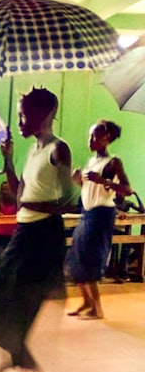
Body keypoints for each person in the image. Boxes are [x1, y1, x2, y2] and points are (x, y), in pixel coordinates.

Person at [0, 87, 74, 372]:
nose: (19, 120)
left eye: (24, 114)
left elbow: (70, 199)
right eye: (18, 113)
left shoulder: (59, 149)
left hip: (45, 235)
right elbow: (19, 195)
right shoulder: (32, 150)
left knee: (22, 304)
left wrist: (35, 206)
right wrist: (8, 162)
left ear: (44, 115)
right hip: (24, 232)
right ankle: (20, 360)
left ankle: (16, 363)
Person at [66, 120, 131, 320]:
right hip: (88, 213)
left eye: (94, 136)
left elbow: (127, 190)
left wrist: (103, 180)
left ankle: (97, 308)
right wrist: (77, 180)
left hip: (102, 214)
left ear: (107, 138)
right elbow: (89, 188)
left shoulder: (113, 162)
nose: (90, 140)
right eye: (90, 136)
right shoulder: (91, 162)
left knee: (90, 259)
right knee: (76, 258)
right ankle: (86, 301)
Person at [0, 180, 18, 255]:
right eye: (3, 189)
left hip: (13, 235)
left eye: (7, 189)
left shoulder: (17, 204)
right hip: (0, 236)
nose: (5, 192)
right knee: (1, 257)